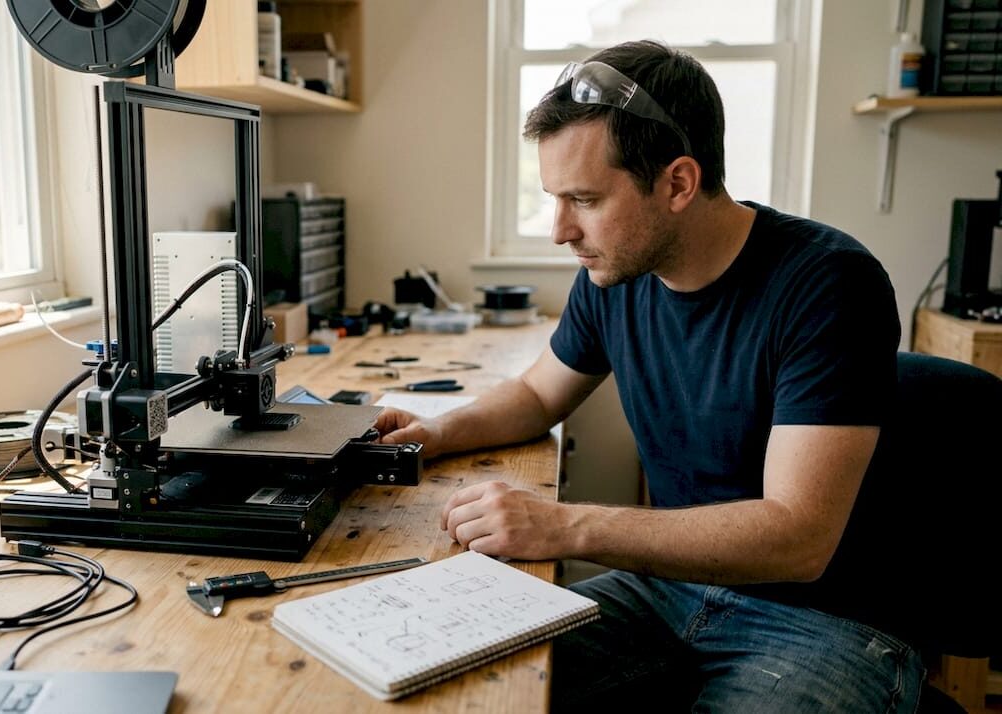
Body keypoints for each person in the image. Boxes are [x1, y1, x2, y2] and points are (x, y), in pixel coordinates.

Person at [374, 40, 920, 712]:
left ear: (678, 183)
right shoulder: (615, 274)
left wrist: (565, 527)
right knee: (453, 688)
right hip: (666, 589)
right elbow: (538, 393)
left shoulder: (829, 284)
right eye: (555, 199)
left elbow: (798, 537)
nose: (560, 231)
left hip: (824, 623)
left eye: (584, 199)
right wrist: (434, 432)